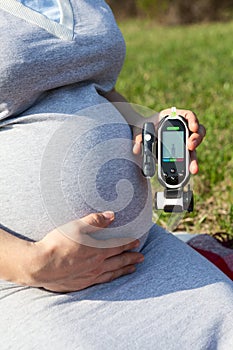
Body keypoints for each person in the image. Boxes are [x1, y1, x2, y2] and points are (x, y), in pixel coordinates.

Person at [0, 1, 233, 349]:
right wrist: (30, 263)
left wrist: (143, 124)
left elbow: (91, 85)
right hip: (25, 281)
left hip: (138, 254)